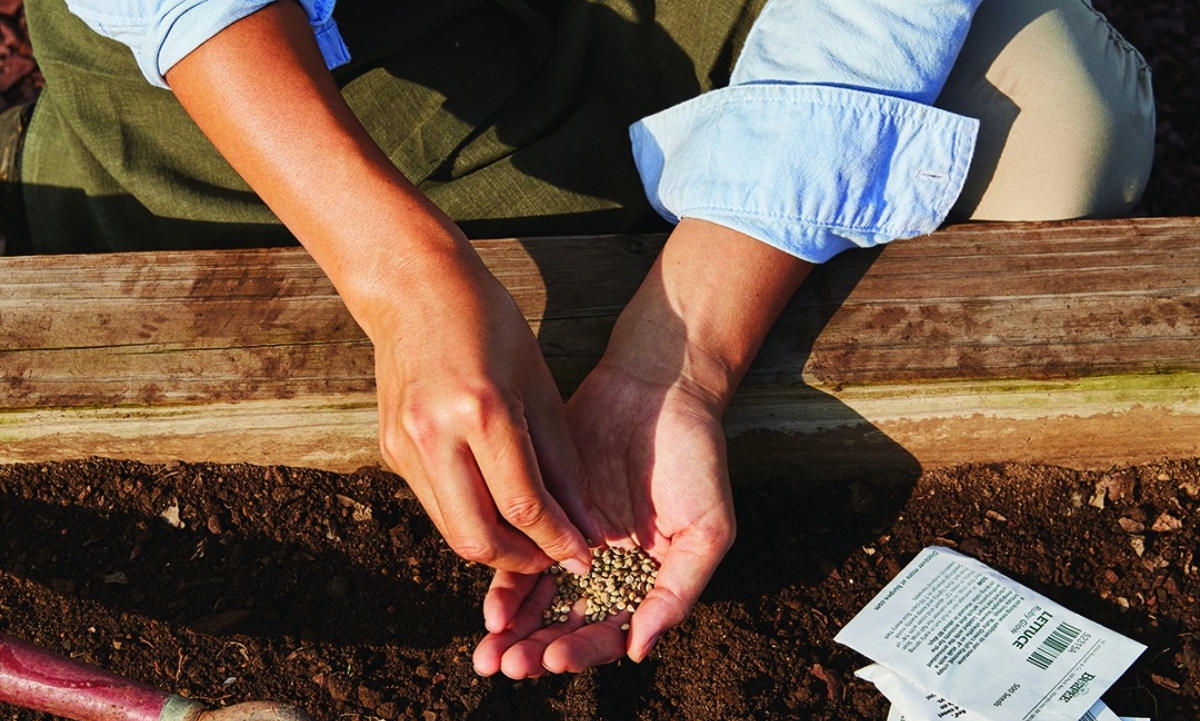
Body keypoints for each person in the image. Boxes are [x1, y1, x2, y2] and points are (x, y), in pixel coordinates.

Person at [0, 0, 1154, 677]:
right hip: (262, 64)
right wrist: (398, 274)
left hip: (584, 23)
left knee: (1065, 131)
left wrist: (677, 354)